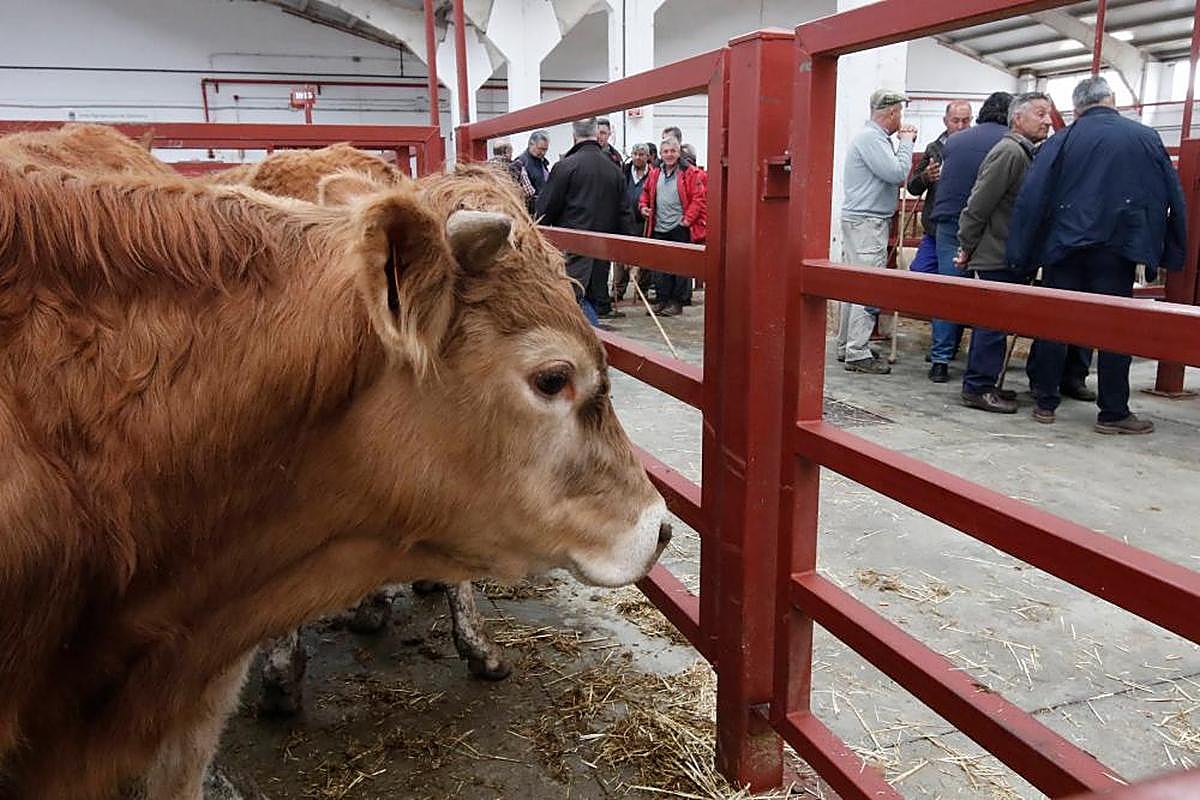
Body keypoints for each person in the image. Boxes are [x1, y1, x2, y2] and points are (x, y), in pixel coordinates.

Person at [1009, 76, 1187, 434]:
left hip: (1064, 248)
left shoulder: (1061, 140)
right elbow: (1171, 194)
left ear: (1077, 108)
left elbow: (1032, 199)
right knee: (1114, 328)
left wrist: (1022, 254)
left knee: (1055, 322)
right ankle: (1113, 411)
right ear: (1112, 99)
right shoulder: (1144, 138)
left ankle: (1044, 401)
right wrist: (1171, 250)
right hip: (1118, 248)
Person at [953, 92, 1054, 413]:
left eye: (1048, 114)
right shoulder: (1009, 153)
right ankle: (977, 387)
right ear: (1017, 118)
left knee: (999, 323)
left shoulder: (1025, 153)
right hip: (993, 253)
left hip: (1007, 252)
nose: (1048, 121)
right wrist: (966, 246)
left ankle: (988, 382)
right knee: (991, 324)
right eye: (1040, 114)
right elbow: (978, 204)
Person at [925, 91, 1013, 382]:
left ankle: (940, 360)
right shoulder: (1011, 143)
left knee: (948, 291)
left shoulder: (955, 141)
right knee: (992, 295)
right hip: (992, 225)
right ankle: (983, 370)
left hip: (949, 221)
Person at [836, 88, 917, 375]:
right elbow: (896, 174)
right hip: (868, 224)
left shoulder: (870, 139)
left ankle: (847, 344)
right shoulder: (872, 139)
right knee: (867, 285)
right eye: (900, 113)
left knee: (852, 284)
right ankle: (857, 351)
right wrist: (906, 143)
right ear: (892, 112)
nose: (902, 120)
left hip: (860, 221)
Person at [536, 117, 629, 323]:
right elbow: (624, 211)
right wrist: (626, 250)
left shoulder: (565, 167)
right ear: (597, 135)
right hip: (604, 248)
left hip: (574, 248)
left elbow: (545, 209)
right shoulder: (614, 169)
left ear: (573, 135)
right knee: (595, 298)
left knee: (573, 302)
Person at [638, 136, 707, 317]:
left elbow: (698, 199)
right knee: (660, 268)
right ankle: (662, 300)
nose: (669, 155)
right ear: (660, 154)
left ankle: (677, 302)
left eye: (673, 151)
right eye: (666, 151)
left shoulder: (689, 173)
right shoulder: (655, 173)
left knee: (680, 268)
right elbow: (645, 193)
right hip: (659, 227)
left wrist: (686, 220)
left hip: (680, 228)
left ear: (678, 153)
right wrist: (643, 207)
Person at [906, 101, 973, 275]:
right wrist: (925, 177)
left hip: (961, 231)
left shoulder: (977, 148)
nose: (960, 126)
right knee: (919, 273)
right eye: (955, 120)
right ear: (945, 121)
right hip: (934, 230)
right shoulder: (934, 149)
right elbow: (913, 188)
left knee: (952, 278)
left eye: (965, 121)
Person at [612, 143, 654, 306]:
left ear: (648, 157)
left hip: (642, 221)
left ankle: (641, 290)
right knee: (621, 257)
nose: (638, 157)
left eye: (642, 154)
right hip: (624, 220)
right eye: (635, 153)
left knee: (644, 257)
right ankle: (617, 291)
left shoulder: (653, 174)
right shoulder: (623, 172)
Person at [513, 130, 551, 215]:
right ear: (531, 144)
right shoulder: (520, 163)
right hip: (531, 213)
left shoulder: (542, 161)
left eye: (546, 150)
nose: (543, 153)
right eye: (540, 149)